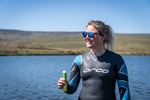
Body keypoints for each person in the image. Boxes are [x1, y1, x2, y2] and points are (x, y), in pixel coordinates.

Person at [58, 20, 130, 100]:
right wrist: (65, 86)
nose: (87, 37)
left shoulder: (116, 59)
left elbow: (125, 91)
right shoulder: (79, 60)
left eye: (91, 34)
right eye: (85, 34)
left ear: (103, 37)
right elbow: (71, 89)